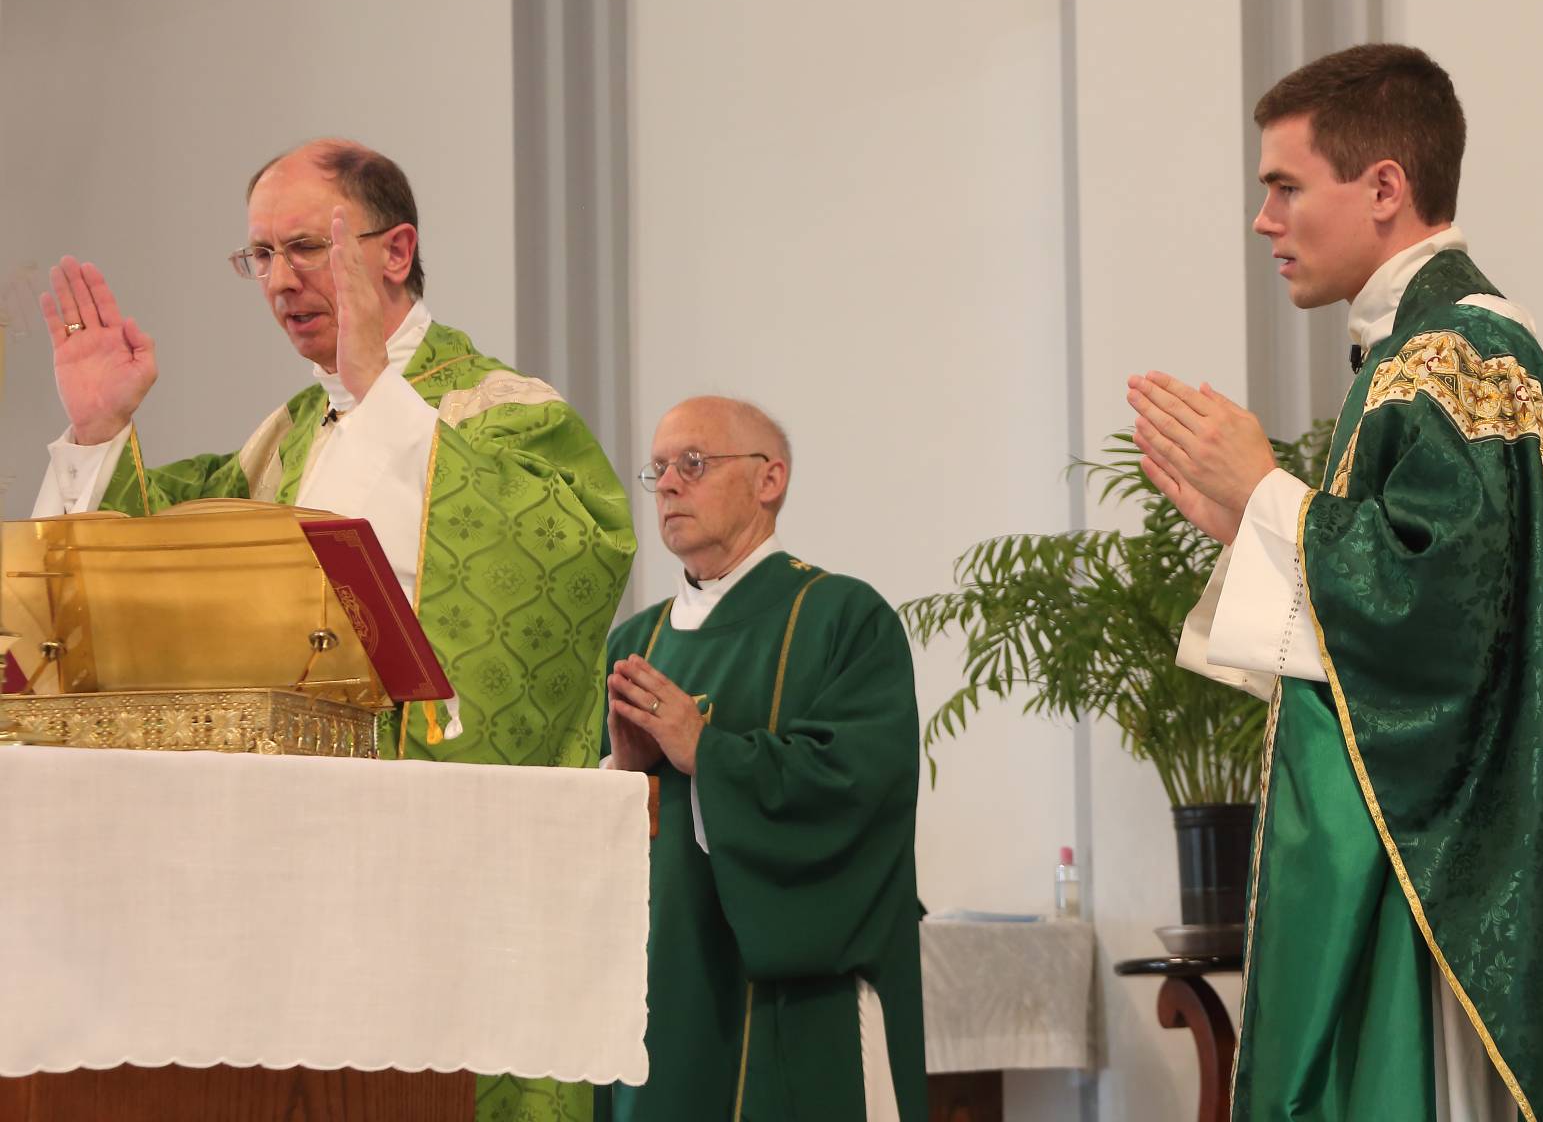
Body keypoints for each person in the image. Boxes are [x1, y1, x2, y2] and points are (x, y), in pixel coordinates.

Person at [33, 138, 636, 1122]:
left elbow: (569, 562)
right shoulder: (289, 439)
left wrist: (378, 384)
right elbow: (135, 578)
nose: (278, 279)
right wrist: (99, 433)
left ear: (395, 252)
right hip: (281, 887)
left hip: (448, 892)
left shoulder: (502, 413)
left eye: (305, 246)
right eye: (259, 256)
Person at [1129, 43, 1543, 1121]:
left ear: (1384, 189)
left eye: (1284, 186)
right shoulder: (1421, 351)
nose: (1263, 220)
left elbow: (1441, 625)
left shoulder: (1454, 356)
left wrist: (1271, 493)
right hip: (1425, 842)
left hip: (1437, 872)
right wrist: (1251, 523)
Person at [596, 396, 926, 1122]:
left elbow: (858, 792)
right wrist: (622, 778)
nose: (670, 485)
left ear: (768, 479)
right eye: (659, 470)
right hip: (658, 985)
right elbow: (594, 847)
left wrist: (705, 753)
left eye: (694, 463)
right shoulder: (633, 644)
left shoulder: (842, 617)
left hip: (789, 996)